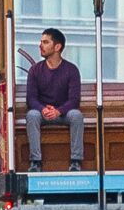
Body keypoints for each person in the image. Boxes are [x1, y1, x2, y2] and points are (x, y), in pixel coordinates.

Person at [26, 27, 86, 170]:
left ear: (57, 47)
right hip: (43, 113)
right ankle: (36, 162)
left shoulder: (71, 70)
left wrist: (58, 111)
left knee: (76, 115)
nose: (40, 45)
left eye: (45, 42)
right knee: (31, 115)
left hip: (63, 113)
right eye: (41, 42)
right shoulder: (35, 70)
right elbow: (31, 99)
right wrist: (43, 109)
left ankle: (76, 161)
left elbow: (74, 99)